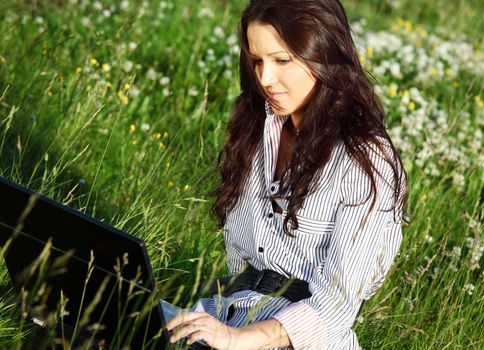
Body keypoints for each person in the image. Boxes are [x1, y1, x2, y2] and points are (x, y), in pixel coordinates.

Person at [166, 0, 409, 349]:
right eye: (256, 61)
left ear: (323, 55)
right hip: (228, 313)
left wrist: (238, 339)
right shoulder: (256, 129)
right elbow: (241, 264)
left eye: (282, 60)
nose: (265, 78)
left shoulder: (366, 159)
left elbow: (337, 306)